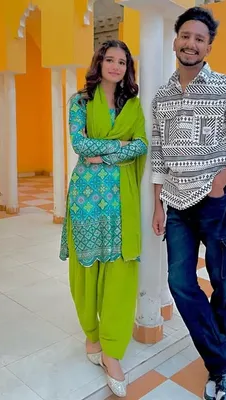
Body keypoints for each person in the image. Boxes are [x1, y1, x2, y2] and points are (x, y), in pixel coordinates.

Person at [151, 7, 226, 400]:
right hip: (176, 205)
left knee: (222, 284)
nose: (191, 44)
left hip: (217, 204)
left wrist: (219, 182)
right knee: (179, 283)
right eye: (185, 36)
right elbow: (158, 155)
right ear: (175, 40)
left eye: (199, 39)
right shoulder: (162, 97)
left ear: (208, 47)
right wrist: (158, 204)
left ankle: (223, 364)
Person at [59, 40, 147, 398]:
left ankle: (112, 352)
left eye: (122, 62)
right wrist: (120, 147)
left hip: (122, 201)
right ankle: (91, 336)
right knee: (87, 271)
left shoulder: (133, 105)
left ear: (128, 69)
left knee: (120, 273)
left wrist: (104, 153)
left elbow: (141, 144)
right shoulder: (79, 102)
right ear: (99, 63)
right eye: (109, 59)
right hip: (86, 200)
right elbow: (79, 145)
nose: (115, 66)